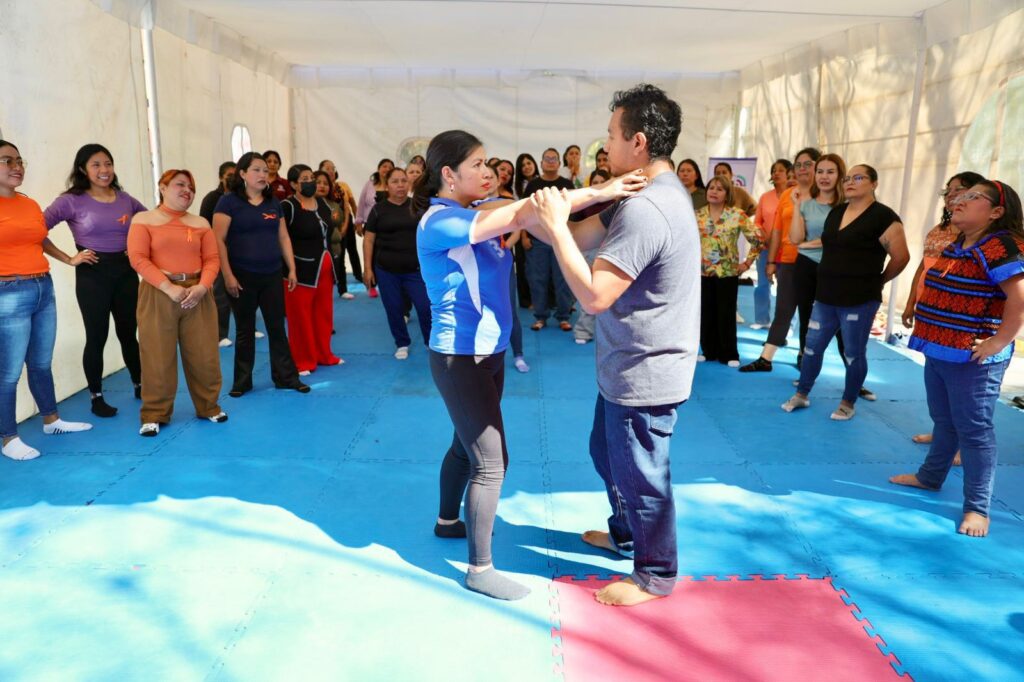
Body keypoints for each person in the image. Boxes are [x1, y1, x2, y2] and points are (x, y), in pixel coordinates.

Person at [416, 129, 638, 601]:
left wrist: (603, 198)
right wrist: (603, 188)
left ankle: (447, 520)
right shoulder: (439, 221)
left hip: (489, 352)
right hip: (460, 356)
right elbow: (525, 212)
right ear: (448, 174)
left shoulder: (484, 206)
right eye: (477, 164)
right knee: (491, 462)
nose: (488, 171)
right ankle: (479, 570)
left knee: (465, 446)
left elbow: (547, 211)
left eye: (487, 162)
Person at [532, 84, 698, 607]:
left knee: (642, 474)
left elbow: (594, 295)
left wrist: (556, 228)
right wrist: (533, 213)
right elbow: (579, 234)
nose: (605, 146)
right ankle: (626, 533)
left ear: (638, 142)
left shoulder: (649, 208)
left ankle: (655, 574)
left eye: (610, 135)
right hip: (625, 362)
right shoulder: (640, 193)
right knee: (606, 454)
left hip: (645, 370)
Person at [890, 180, 1024, 538]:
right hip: (940, 351)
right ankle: (930, 476)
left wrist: (999, 341)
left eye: (971, 197)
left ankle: (977, 508)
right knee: (943, 421)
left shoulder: (1001, 245)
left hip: (973, 359)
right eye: (959, 196)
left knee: (974, 431)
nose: (959, 201)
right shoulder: (959, 242)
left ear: (996, 211)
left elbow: (1020, 297)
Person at [781, 164, 909, 420]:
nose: (849, 182)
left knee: (852, 353)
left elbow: (901, 257)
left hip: (859, 298)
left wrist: (880, 281)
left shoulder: (884, 217)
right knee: (811, 348)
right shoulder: (837, 212)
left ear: (874, 183)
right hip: (826, 295)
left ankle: (848, 402)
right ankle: (802, 393)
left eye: (858, 177)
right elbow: (830, 244)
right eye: (847, 178)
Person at [0, 139, 93, 460]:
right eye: (7, 161)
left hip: (43, 287)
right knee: (8, 372)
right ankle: (8, 438)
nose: (17, 166)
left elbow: (39, 238)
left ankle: (51, 420)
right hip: (8, 293)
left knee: (40, 362)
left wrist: (69, 259)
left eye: (19, 160)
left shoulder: (28, 204)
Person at [44, 143, 146, 418]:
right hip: (93, 275)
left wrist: (137, 248)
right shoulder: (70, 200)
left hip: (125, 273)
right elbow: (36, 230)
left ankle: (140, 385)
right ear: (82, 169)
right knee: (97, 336)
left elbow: (150, 222)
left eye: (108, 163)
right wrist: (69, 258)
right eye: (96, 164)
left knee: (129, 333)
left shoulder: (125, 199)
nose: (104, 170)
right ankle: (96, 396)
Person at [127, 169, 227, 436]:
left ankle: (209, 406)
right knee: (157, 356)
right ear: (162, 187)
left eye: (191, 187)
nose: (187, 191)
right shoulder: (143, 219)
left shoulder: (201, 223)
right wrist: (168, 287)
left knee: (204, 355)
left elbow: (212, 259)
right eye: (180, 185)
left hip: (197, 292)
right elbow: (138, 258)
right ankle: (154, 413)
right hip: (158, 293)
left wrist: (203, 287)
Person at [212, 152, 309, 397]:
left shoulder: (273, 202)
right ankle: (242, 382)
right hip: (241, 276)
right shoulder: (227, 202)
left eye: (265, 171)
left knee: (277, 328)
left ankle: (286, 377)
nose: (263, 174)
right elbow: (218, 240)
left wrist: (292, 268)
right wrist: (228, 275)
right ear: (243, 173)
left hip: (272, 274)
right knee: (244, 330)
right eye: (257, 170)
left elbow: (283, 237)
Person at [903, 171, 985, 451]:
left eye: (960, 190)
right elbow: (922, 267)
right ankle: (944, 434)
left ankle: (960, 443)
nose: (952, 195)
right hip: (930, 315)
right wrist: (911, 302)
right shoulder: (938, 230)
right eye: (948, 190)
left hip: (956, 322)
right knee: (937, 384)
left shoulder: (974, 235)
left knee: (960, 387)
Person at [739, 147, 821, 372]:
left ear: (818, 166)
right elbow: (776, 231)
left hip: (815, 263)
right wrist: (771, 261)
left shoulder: (826, 194)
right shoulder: (787, 195)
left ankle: (804, 355)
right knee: (784, 309)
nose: (802, 169)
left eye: (808, 164)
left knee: (809, 313)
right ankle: (766, 358)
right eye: (799, 165)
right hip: (787, 260)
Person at [362, 167, 431, 360]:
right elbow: (368, 240)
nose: (400, 185)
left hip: (415, 270)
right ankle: (402, 343)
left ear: (409, 184)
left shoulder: (417, 207)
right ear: (387, 185)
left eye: (403, 181)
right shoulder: (378, 210)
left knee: (425, 307)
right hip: (386, 270)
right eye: (395, 181)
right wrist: (367, 269)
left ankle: (430, 342)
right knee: (394, 308)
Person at [281, 164, 343, 375]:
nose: (311, 182)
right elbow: (282, 238)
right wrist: (290, 268)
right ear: (293, 184)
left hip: (324, 270)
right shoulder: (287, 206)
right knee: (300, 318)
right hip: (299, 272)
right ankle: (303, 360)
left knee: (323, 314)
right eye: (305, 179)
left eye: (311, 178)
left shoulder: (322, 203)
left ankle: (324, 354)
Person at [696, 175, 763, 366]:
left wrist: (747, 263)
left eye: (720, 189)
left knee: (726, 314)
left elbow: (758, 239)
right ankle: (708, 351)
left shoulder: (737, 215)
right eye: (711, 188)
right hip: (702, 273)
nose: (714, 192)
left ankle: (729, 354)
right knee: (706, 313)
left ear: (727, 194)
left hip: (728, 273)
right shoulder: (697, 215)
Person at [524, 148, 576, 331]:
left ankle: (563, 316)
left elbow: (574, 212)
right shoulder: (533, 185)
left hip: (561, 239)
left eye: (554, 159)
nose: (551, 161)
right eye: (547, 158)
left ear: (559, 163)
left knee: (563, 279)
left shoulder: (567, 184)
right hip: (537, 240)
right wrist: (524, 236)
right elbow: (523, 213)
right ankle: (540, 317)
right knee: (537, 280)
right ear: (541, 163)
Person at [750, 159, 793, 329]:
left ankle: (787, 325)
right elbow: (757, 222)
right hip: (766, 247)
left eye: (780, 170)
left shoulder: (794, 195)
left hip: (788, 249)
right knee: (762, 284)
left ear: (789, 173)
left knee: (786, 288)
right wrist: (766, 237)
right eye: (774, 170)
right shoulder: (765, 197)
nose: (776, 173)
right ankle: (762, 319)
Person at [573, 168, 613, 344]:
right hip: (588, 252)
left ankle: (609, 335)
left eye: (602, 182)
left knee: (610, 295)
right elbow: (577, 227)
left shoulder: (616, 203)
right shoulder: (585, 203)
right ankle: (583, 331)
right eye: (595, 182)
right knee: (588, 293)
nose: (598, 185)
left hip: (611, 252)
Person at [199, 161, 237, 348]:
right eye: (229, 175)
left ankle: (248, 327)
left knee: (242, 291)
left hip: (239, 250)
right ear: (221, 177)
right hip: (217, 250)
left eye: (235, 174)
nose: (232, 178)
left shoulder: (242, 197)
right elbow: (204, 227)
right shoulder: (211, 199)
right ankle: (220, 334)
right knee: (221, 293)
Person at [319, 159, 359, 299]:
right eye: (327, 168)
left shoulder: (339, 188)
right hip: (322, 230)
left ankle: (343, 289)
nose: (331, 171)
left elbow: (346, 208)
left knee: (340, 258)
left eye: (332, 168)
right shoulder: (317, 188)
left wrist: (345, 225)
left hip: (340, 227)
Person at [355, 159, 394, 299]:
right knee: (369, 255)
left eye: (390, 167)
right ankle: (370, 285)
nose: (386, 169)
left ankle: (388, 282)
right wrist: (358, 221)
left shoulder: (393, 185)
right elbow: (361, 203)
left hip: (389, 226)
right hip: (370, 225)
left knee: (385, 254)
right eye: (384, 166)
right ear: (378, 168)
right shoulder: (369, 184)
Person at [512, 153, 539, 308]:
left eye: (529, 163)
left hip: (540, 230)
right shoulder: (517, 188)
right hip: (521, 229)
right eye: (522, 165)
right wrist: (523, 235)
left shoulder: (541, 182)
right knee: (523, 268)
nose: (526, 167)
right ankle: (526, 300)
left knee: (541, 269)